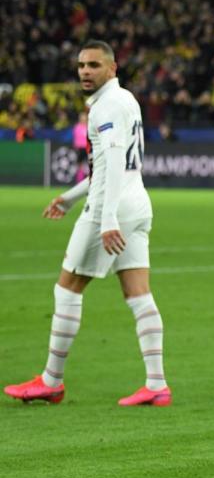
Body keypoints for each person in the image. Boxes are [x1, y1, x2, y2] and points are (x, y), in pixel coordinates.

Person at [4, 41, 168, 407]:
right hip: (137, 202)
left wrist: (106, 218)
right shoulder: (126, 100)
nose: (85, 72)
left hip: (110, 210)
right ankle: (156, 384)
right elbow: (115, 165)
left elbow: (110, 161)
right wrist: (70, 196)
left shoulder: (106, 106)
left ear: (113, 67)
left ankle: (51, 380)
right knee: (139, 294)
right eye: (81, 65)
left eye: (94, 65)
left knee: (68, 288)